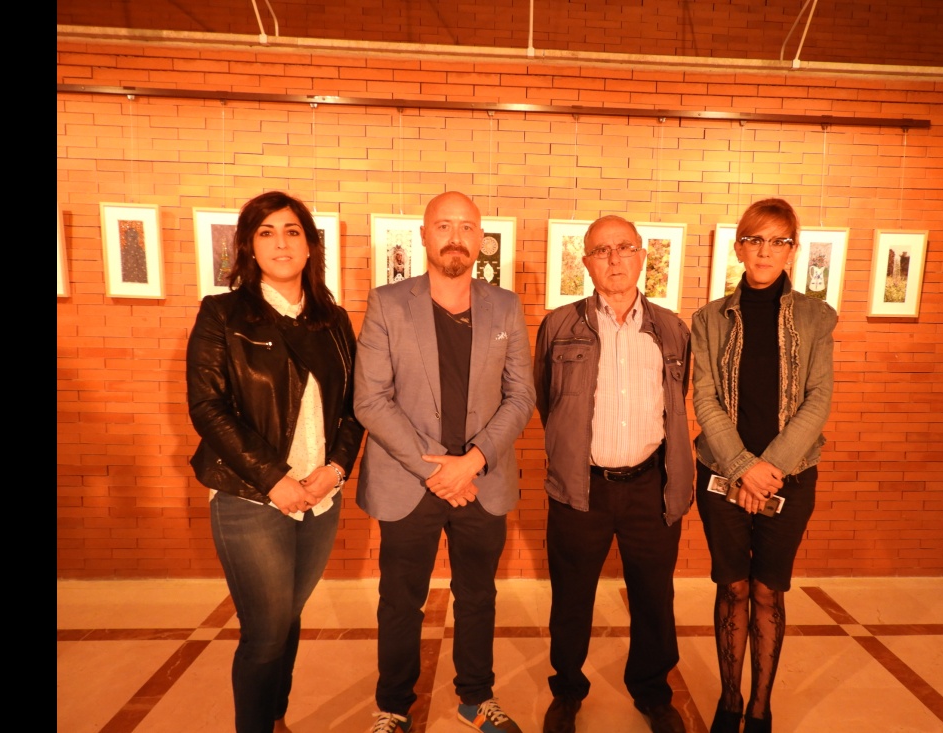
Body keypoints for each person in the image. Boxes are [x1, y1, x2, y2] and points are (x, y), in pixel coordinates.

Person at [353, 192, 535, 733]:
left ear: (481, 239)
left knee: (478, 595)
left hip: (483, 481)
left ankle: (476, 699)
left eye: (467, 227)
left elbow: (520, 397)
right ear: (426, 234)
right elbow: (371, 399)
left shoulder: (504, 306)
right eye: (443, 225)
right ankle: (392, 707)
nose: (455, 236)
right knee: (400, 601)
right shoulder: (387, 303)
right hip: (409, 481)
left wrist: (472, 460)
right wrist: (437, 469)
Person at [186, 191, 365, 733]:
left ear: (311, 245)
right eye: (266, 232)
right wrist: (275, 480)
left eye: (292, 231)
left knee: (288, 622)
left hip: (321, 497)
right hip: (249, 499)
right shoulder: (222, 313)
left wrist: (334, 470)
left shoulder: (332, 321)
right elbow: (207, 408)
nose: (281, 242)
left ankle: (276, 718)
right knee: (264, 634)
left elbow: (356, 407)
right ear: (248, 246)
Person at [533, 216, 692, 733]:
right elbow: (545, 399)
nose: (615, 259)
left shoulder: (671, 329)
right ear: (586, 262)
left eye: (624, 248)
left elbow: (677, 400)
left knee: (653, 594)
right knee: (572, 595)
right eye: (602, 250)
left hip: (651, 487)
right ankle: (567, 691)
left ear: (643, 255)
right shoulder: (559, 326)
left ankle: (651, 691)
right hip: (582, 487)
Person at [691, 198, 836, 733]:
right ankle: (731, 702)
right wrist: (740, 468)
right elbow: (704, 399)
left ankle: (760, 708)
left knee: (766, 591)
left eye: (778, 241)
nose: (765, 251)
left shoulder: (816, 317)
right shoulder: (708, 318)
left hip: (790, 477)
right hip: (719, 474)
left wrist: (767, 468)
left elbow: (818, 400)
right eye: (755, 239)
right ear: (738, 248)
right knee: (731, 587)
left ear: (793, 250)